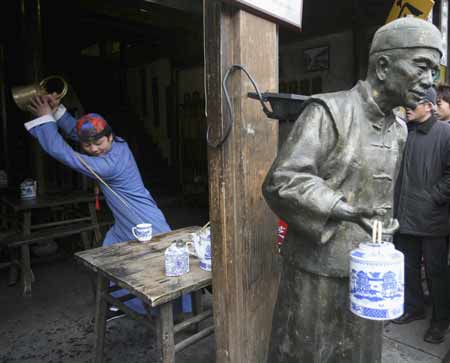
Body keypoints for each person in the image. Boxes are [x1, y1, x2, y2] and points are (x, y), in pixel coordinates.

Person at [262, 17, 442, 362]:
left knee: (360, 354)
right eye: (421, 67)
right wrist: (343, 208)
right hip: (317, 271)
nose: (428, 82)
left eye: (433, 71)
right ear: (383, 65)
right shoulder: (329, 111)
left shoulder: (400, 129)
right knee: (308, 353)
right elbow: (282, 181)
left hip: (371, 274)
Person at [25, 94, 191, 316]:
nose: (93, 149)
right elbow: (80, 131)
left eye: (99, 143)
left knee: (166, 261)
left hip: (142, 218)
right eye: (88, 145)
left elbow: (63, 153)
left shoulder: (109, 164)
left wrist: (46, 119)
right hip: (124, 219)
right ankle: (120, 303)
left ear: (110, 137)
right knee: (109, 255)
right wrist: (57, 112)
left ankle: (183, 309)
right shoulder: (117, 143)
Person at [392, 86, 450, 344]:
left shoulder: (446, 133)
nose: (408, 108)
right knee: (408, 268)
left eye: (413, 104)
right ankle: (414, 308)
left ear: (429, 106)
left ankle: (440, 320)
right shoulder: (404, 133)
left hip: (432, 219)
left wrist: (432, 198)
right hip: (404, 217)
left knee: (437, 273)